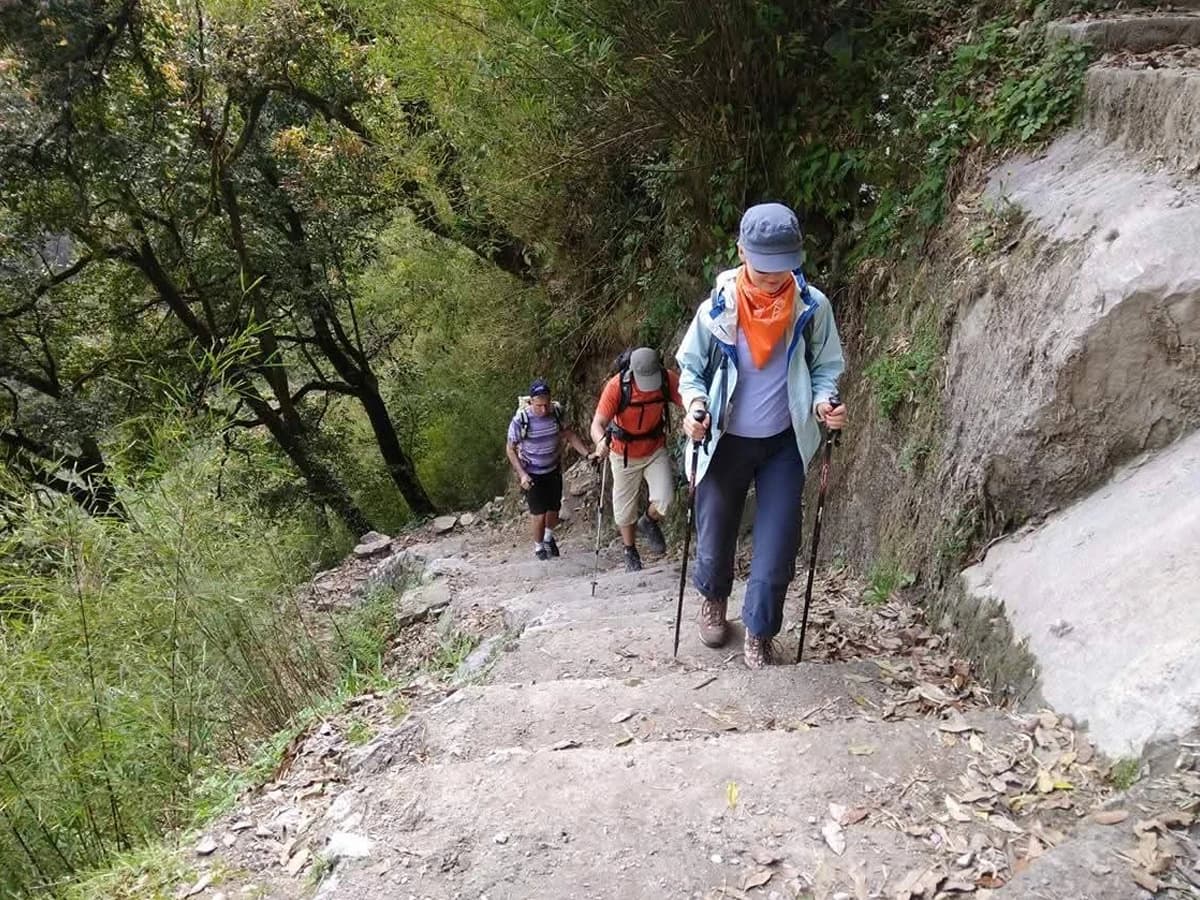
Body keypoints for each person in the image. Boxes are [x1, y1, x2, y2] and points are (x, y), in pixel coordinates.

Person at [675, 202, 848, 668]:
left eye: (784, 267)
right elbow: (690, 370)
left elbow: (826, 365)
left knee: (778, 541)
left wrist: (822, 400)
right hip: (724, 436)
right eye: (765, 266)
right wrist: (694, 407)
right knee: (714, 533)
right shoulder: (717, 309)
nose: (775, 277)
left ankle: (759, 630)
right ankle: (713, 599)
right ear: (741, 253)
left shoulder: (812, 306)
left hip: (783, 443)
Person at [589, 347, 684, 572]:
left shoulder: (666, 379)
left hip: (654, 448)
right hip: (623, 453)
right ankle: (629, 550)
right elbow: (597, 424)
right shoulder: (616, 386)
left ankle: (648, 521)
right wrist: (601, 441)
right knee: (624, 508)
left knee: (665, 499)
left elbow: (687, 399)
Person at [505, 379, 592, 560]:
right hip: (532, 473)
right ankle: (539, 548)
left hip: (553, 468)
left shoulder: (557, 413)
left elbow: (569, 435)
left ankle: (548, 538)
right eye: (539, 406)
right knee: (538, 514)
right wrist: (522, 474)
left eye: (546, 405)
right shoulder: (521, 420)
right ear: (531, 403)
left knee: (554, 508)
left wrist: (587, 454)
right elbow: (510, 448)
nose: (544, 410)